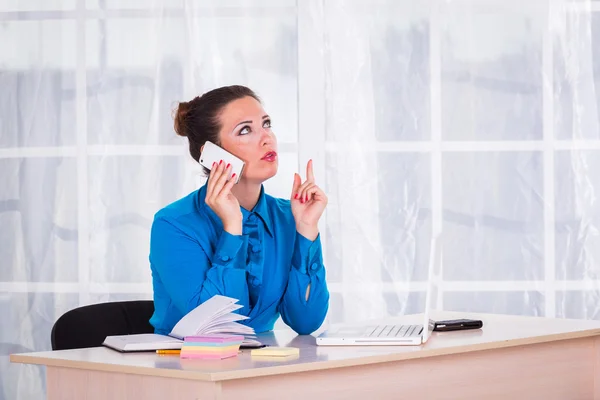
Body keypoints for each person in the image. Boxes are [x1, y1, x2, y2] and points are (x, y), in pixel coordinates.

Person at [148, 85, 330, 336]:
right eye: (245, 130)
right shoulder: (174, 224)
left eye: (266, 124)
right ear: (212, 153)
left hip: (259, 369)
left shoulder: (289, 217)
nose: (267, 138)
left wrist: (306, 229)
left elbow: (306, 322)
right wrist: (232, 228)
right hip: (188, 369)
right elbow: (215, 330)